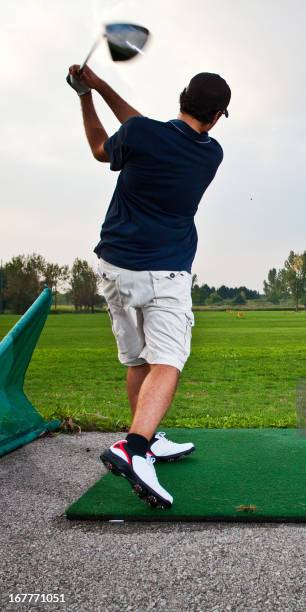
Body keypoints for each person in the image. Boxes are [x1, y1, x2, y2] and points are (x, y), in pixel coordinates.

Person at [67, 64, 231, 508]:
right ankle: (134, 449)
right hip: (164, 272)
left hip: (113, 268)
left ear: (182, 98)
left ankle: (148, 436)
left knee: (138, 359)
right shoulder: (210, 154)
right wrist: (97, 87)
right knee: (169, 360)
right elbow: (148, 130)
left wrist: (89, 93)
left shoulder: (141, 134)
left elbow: (105, 147)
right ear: (217, 115)